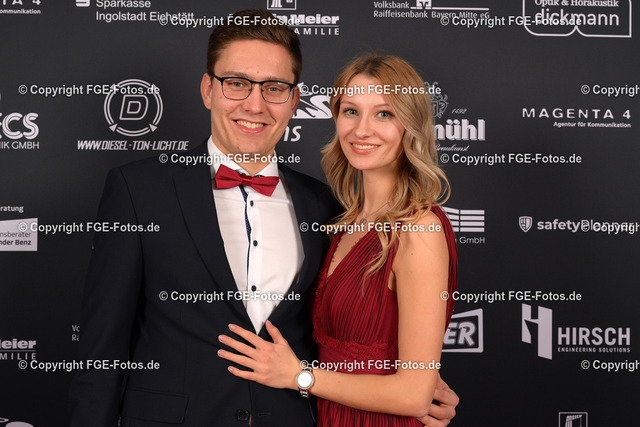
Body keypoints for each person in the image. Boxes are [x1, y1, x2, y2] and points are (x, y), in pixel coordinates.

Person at [68, 9, 458, 426]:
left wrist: (419, 388)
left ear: (294, 100)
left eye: (274, 88)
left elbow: (360, 332)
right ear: (208, 90)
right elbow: (101, 351)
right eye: (236, 83)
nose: (254, 105)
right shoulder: (138, 190)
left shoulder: (323, 206)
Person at [217, 53, 458, 426]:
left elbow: (413, 395)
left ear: (410, 124)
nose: (362, 130)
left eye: (384, 114)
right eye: (351, 111)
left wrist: (299, 376)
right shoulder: (341, 220)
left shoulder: (418, 229)